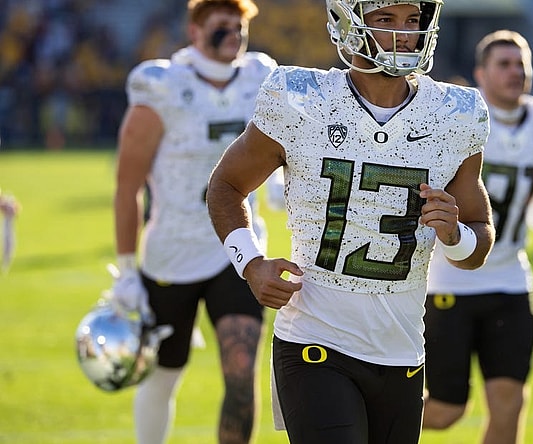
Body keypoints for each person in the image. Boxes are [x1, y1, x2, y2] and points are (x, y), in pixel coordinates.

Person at [205, 1, 495, 443]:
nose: (405, 34)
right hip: (315, 339)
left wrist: (455, 236)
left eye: (413, 20)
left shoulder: (455, 114)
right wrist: (250, 262)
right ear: (348, 23)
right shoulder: (300, 98)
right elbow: (225, 186)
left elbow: (479, 238)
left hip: (402, 349)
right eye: (386, 19)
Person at [110, 1, 278, 443]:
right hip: (173, 251)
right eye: (222, 26)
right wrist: (127, 270)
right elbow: (127, 187)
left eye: (239, 26)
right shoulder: (162, 84)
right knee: (162, 374)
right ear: (195, 30)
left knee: (241, 373)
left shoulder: (262, 77)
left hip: (237, 245)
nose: (234, 35)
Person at [422, 30, 533, 443]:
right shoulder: (456, 118)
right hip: (449, 281)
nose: (515, 72)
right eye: (503, 64)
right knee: (445, 409)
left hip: (511, 280)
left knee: (510, 402)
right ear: (480, 74)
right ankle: (361, 426)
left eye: (521, 64)